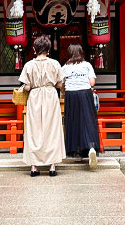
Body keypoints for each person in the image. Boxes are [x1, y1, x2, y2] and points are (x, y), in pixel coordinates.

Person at [19, 35, 66, 176]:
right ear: (48, 50)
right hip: (51, 96)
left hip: (35, 97)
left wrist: (31, 86)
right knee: (52, 129)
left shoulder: (29, 65)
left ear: (34, 49)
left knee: (34, 129)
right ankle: (52, 166)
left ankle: (34, 167)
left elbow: (27, 86)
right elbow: (60, 84)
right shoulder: (55, 64)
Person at [62, 44, 101, 169]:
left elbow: (61, 84)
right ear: (81, 52)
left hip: (71, 95)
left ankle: (77, 151)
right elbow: (92, 82)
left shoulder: (65, 67)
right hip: (85, 93)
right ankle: (91, 148)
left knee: (73, 122)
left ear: (69, 53)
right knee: (88, 121)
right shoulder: (87, 65)